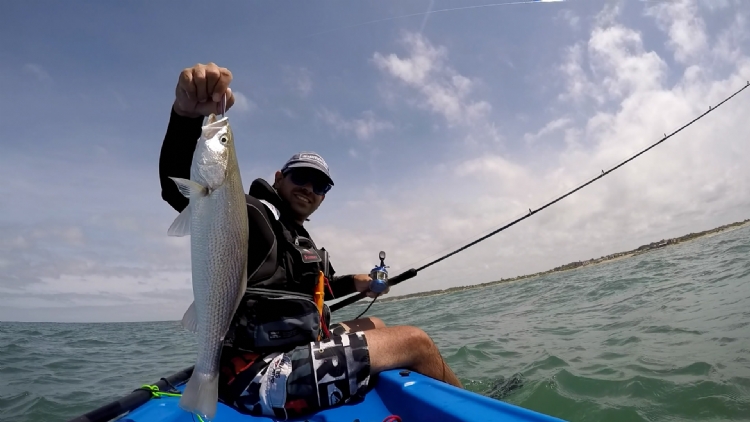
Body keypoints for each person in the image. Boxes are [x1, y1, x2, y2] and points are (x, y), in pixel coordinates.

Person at [158, 62, 462, 419]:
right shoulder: (251, 213)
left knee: (377, 326)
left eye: (320, 186)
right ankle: (476, 409)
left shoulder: (301, 238)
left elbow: (321, 289)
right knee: (415, 341)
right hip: (255, 374)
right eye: (301, 177)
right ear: (279, 178)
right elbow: (179, 187)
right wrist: (185, 116)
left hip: (299, 347)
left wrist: (360, 282)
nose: (309, 189)